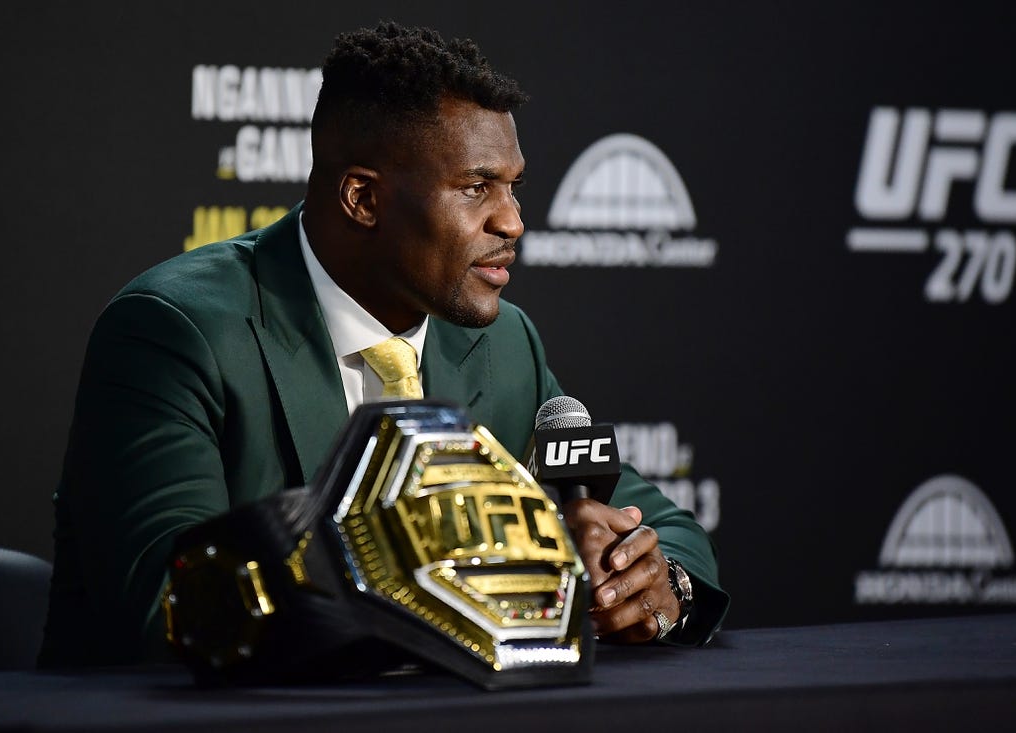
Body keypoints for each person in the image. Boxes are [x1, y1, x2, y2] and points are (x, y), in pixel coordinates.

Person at [39, 21, 729, 668]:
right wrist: (471, 578)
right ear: (363, 199)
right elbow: (173, 608)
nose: (513, 221)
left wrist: (650, 579)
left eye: (513, 186)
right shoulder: (175, 332)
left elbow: (664, 524)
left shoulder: (504, 342)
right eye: (476, 187)